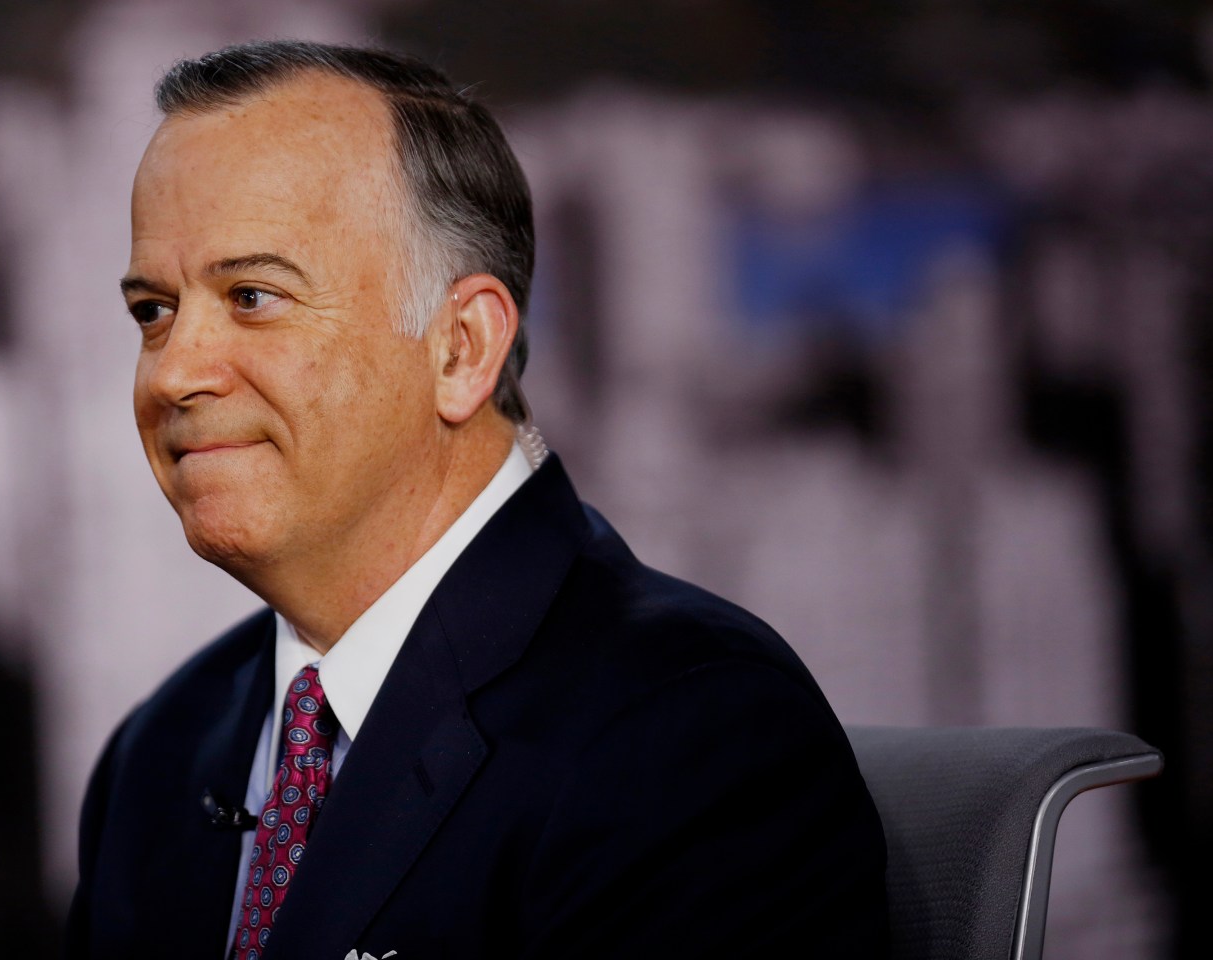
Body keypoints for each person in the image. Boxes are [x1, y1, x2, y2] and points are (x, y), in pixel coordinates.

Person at [65, 39, 889, 960]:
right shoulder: (158, 755)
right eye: (153, 311)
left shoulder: (691, 735)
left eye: (252, 296)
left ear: (461, 347)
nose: (172, 372)